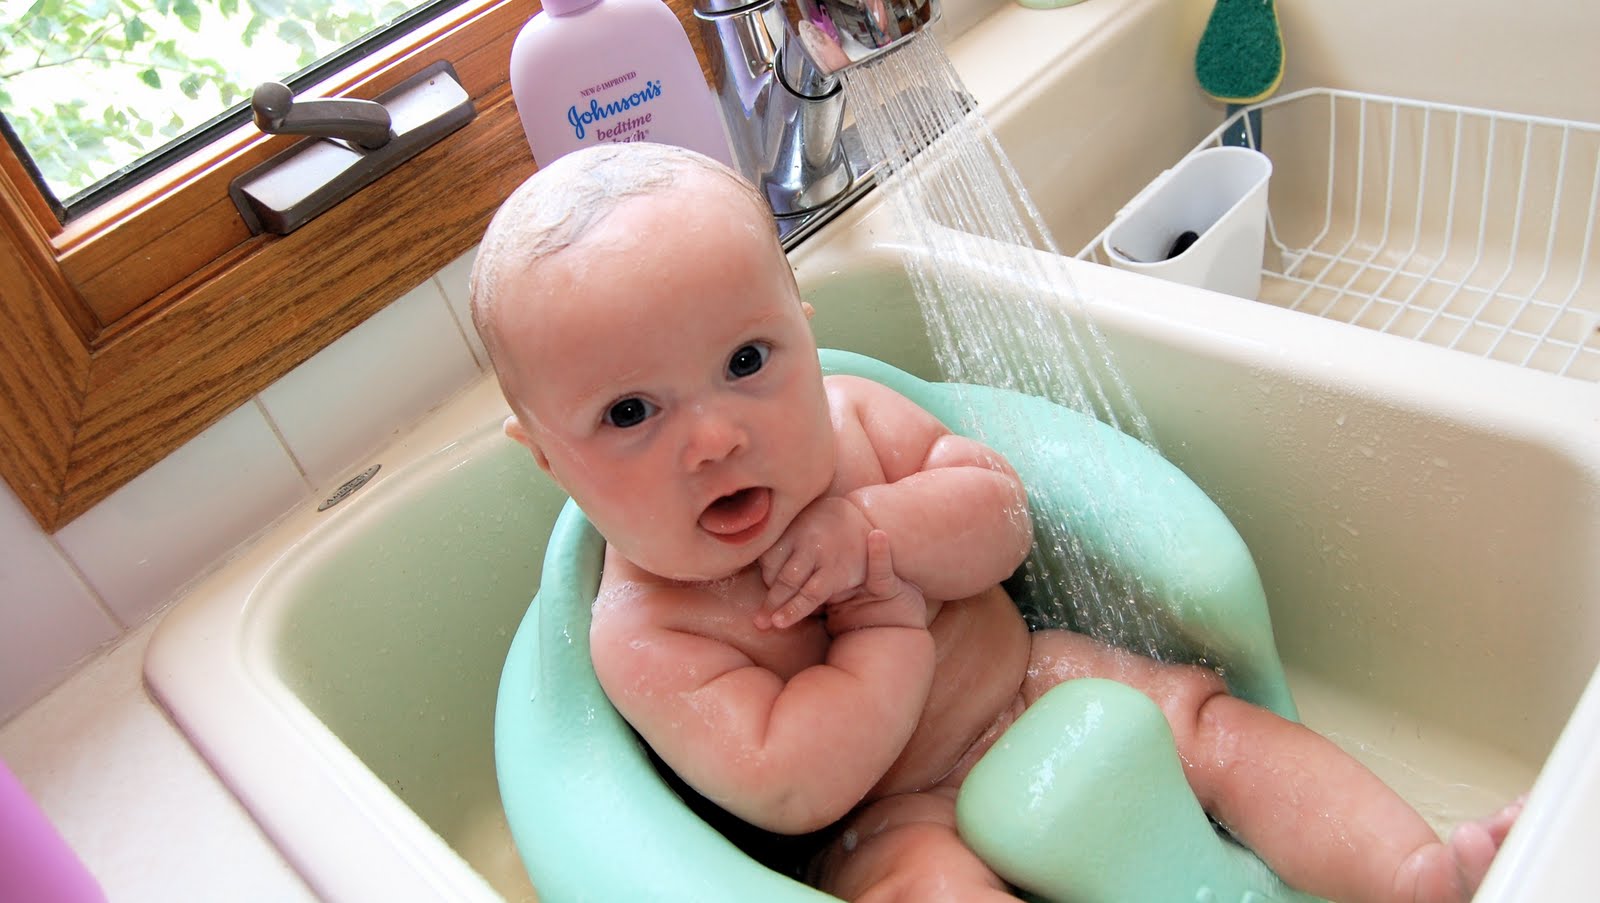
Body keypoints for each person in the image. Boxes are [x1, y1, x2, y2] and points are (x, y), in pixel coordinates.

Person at [469, 141, 1522, 903]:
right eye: (629, 414)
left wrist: (875, 530)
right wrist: (881, 624)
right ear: (549, 461)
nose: (711, 439)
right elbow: (794, 785)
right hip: (881, 817)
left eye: (745, 363)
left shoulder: (855, 427)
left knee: (1216, 729)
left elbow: (997, 521)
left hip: (1032, 681)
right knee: (925, 888)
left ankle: (1411, 876)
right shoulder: (648, 633)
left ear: (802, 327)